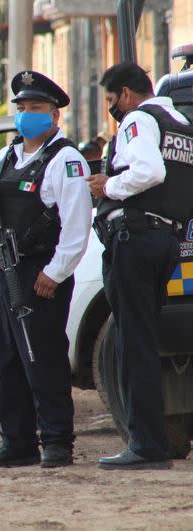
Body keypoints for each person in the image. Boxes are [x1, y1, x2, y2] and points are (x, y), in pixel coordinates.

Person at [0, 71, 92, 469]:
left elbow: (76, 227)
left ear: (54, 116)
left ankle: (57, 442)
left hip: (40, 277)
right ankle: (17, 442)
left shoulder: (65, 159)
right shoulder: (6, 156)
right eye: (21, 108)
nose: (26, 116)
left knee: (44, 360)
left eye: (35, 109)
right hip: (2, 271)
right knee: (6, 362)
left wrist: (55, 273)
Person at [87, 62, 192, 470]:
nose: (113, 109)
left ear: (127, 94)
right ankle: (152, 442)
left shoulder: (139, 119)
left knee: (134, 346)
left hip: (135, 238)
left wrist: (107, 186)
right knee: (143, 342)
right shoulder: (181, 123)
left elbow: (149, 171)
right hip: (167, 240)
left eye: (112, 100)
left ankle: (146, 445)